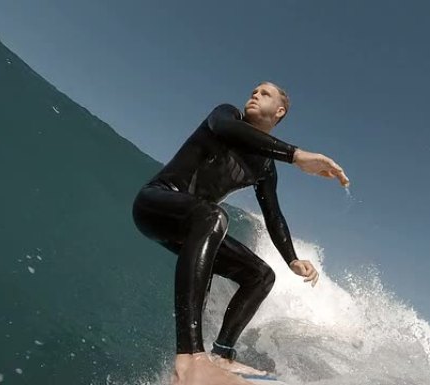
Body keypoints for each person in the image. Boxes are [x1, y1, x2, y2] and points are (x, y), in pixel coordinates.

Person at [132, 81, 350, 385]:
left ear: (280, 111)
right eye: (254, 91)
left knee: (261, 275)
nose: (254, 95)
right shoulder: (226, 116)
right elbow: (228, 131)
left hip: (194, 225)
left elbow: (274, 214)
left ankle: (222, 354)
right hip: (155, 203)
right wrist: (297, 155)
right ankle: (189, 357)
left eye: (265, 94)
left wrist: (292, 260)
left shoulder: (265, 168)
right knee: (214, 217)